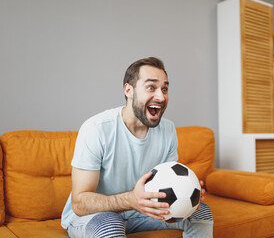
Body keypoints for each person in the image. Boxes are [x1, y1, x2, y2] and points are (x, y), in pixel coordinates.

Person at [61, 57, 213, 237]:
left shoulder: (168, 130)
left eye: (164, 89)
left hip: (140, 213)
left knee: (201, 212)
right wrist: (130, 200)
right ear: (129, 90)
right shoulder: (96, 129)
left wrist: (185, 200)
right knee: (109, 222)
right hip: (90, 216)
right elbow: (79, 203)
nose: (161, 96)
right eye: (151, 87)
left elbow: (166, 194)